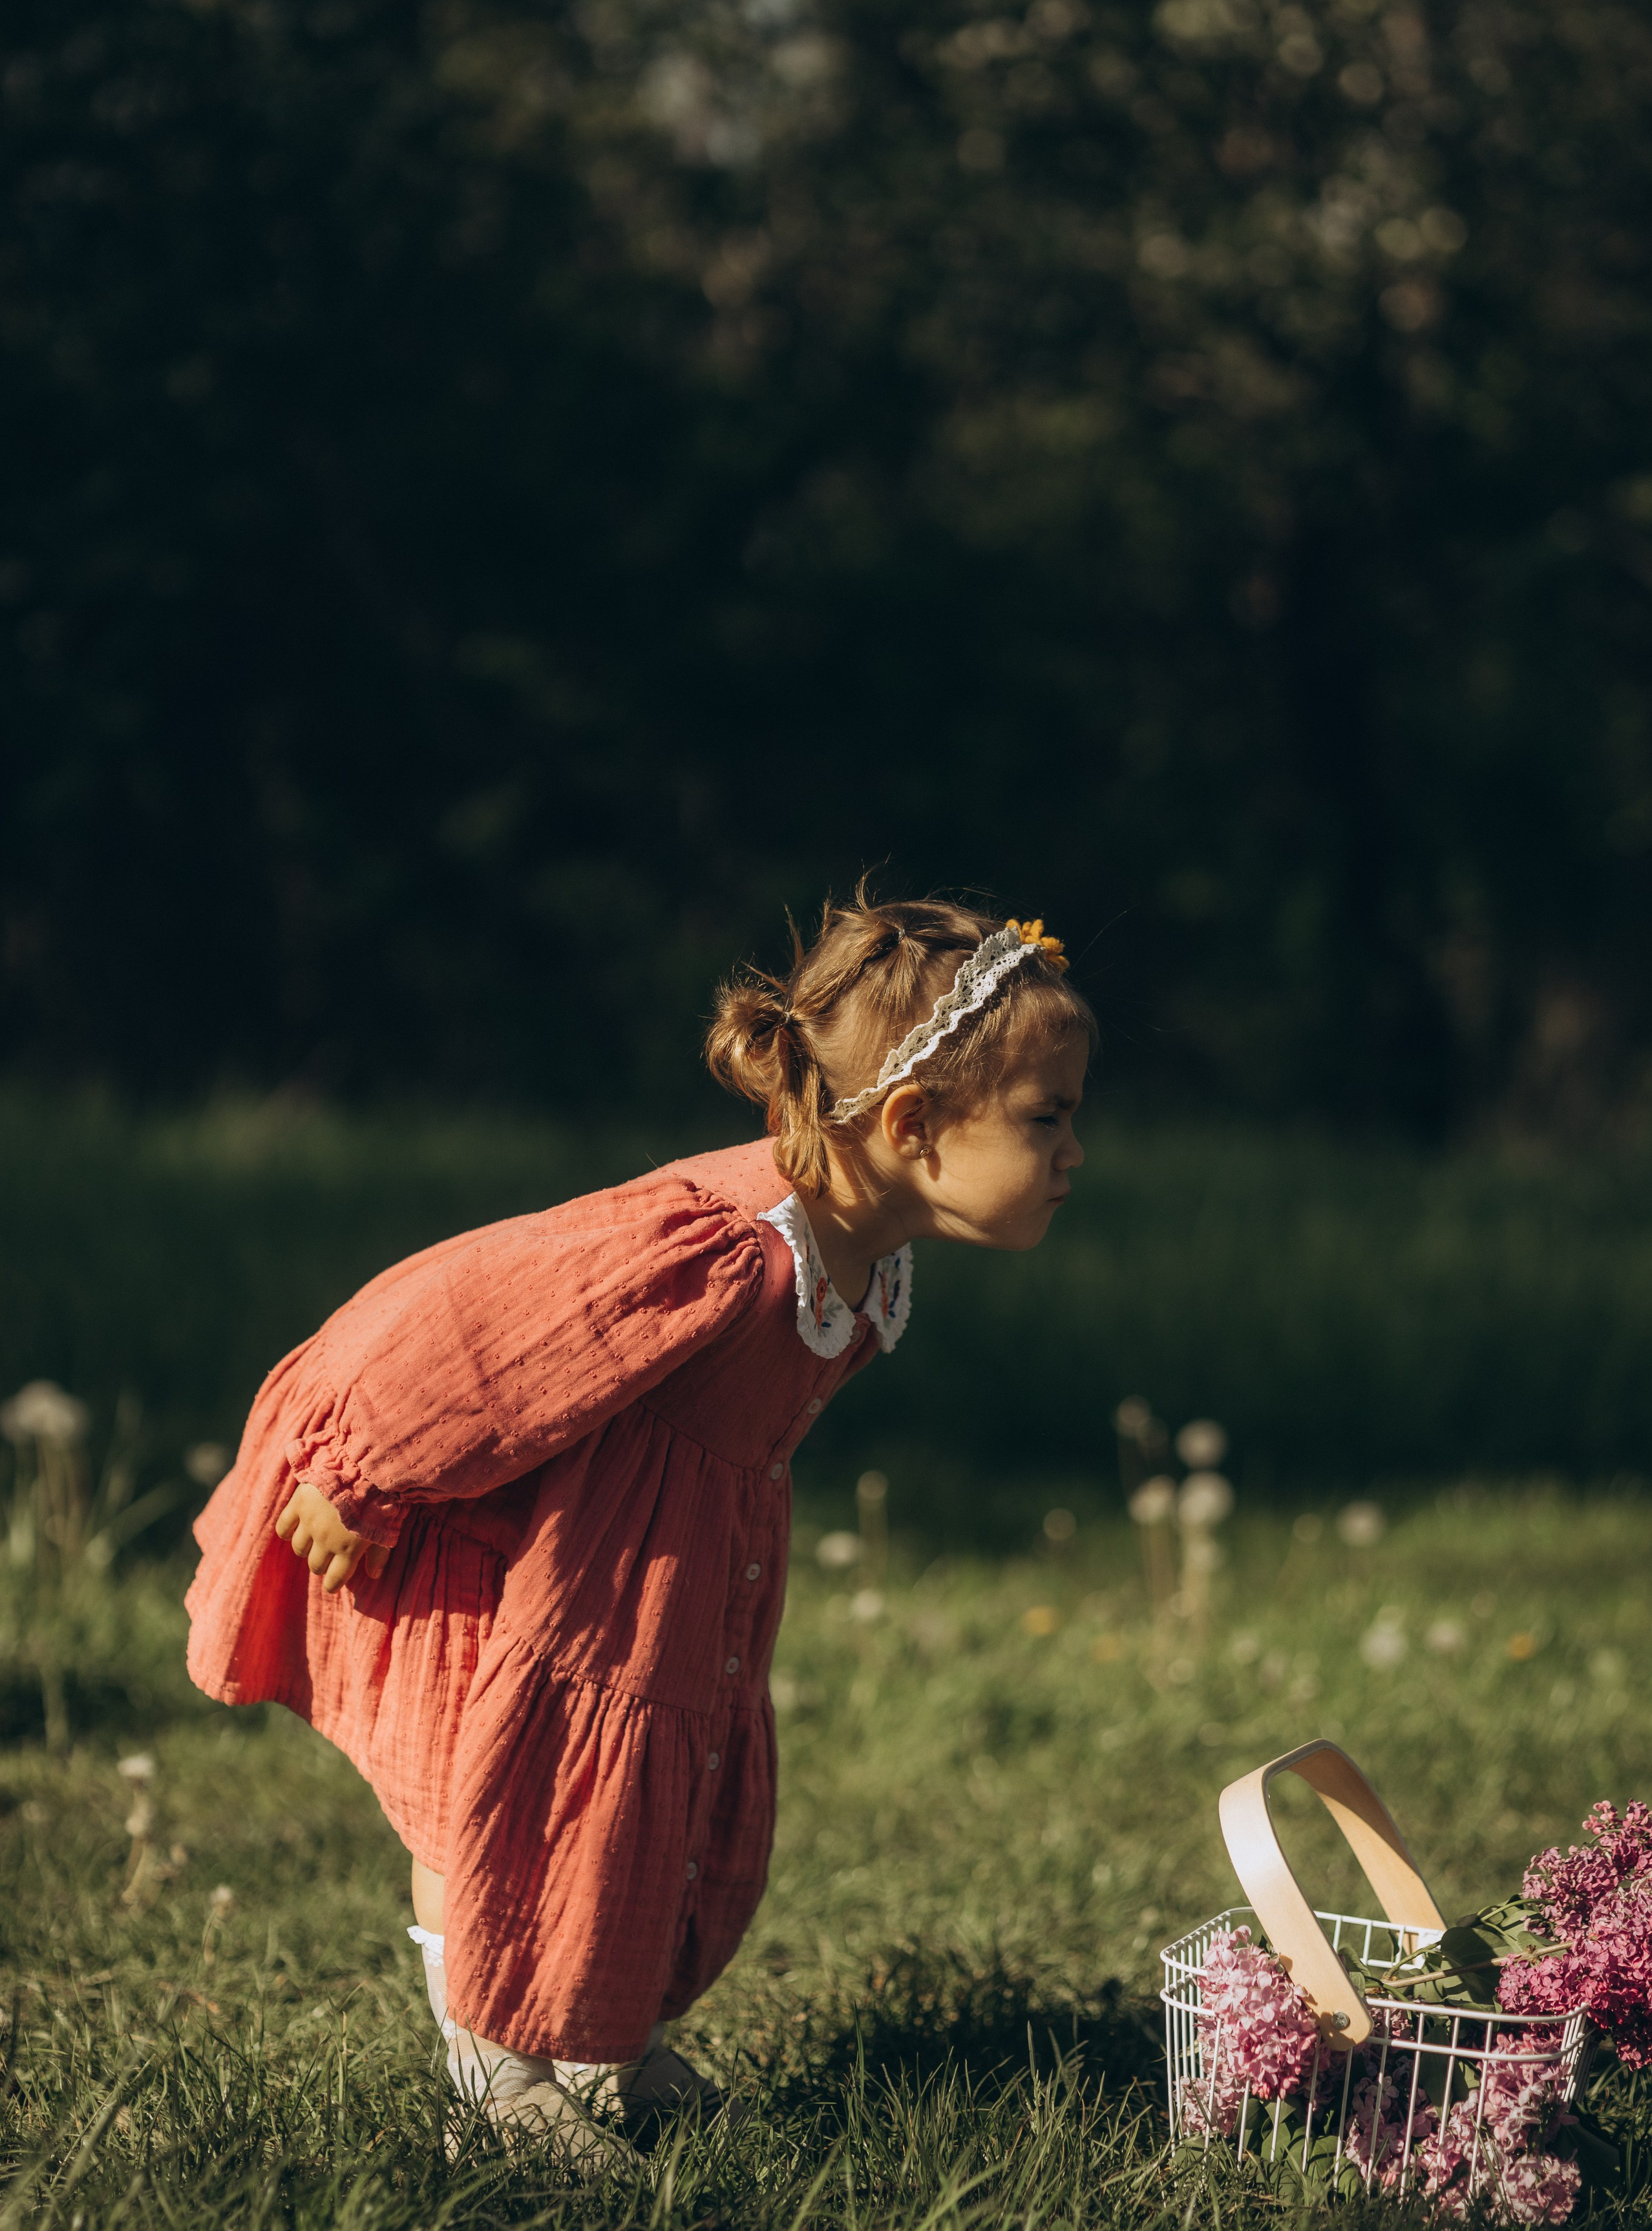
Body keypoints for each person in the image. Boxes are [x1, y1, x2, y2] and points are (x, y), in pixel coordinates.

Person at [185, 893, 1094, 2166]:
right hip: (480, 1527)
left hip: (645, 1566)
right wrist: (360, 1472)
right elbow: (483, 1333)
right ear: (911, 1127)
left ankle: (601, 2049)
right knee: (489, 1799)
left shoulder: (864, 1264)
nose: (1072, 1152)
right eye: (1045, 1118)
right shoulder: (722, 1248)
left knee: (629, 1807)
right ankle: (491, 2083)